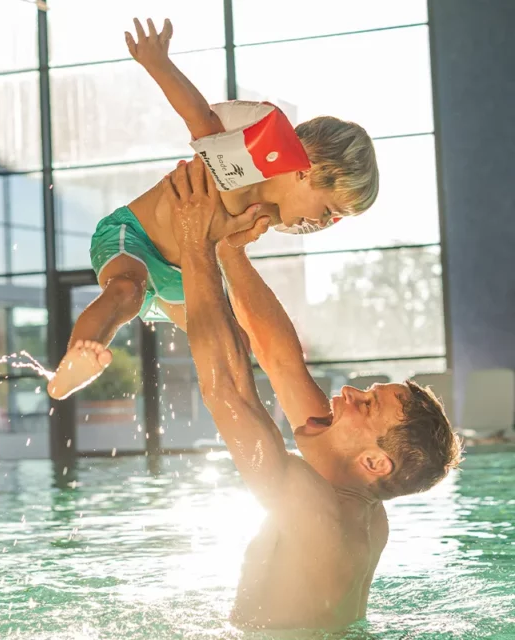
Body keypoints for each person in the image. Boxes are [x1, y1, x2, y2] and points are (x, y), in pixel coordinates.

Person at [164, 156, 462, 631]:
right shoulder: (360, 499)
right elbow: (281, 361)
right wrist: (229, 253)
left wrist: (192, 242)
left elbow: (227, 390)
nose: (344, 392)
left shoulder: (315, 508)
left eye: (366, 404)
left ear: (374, 462)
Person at [47, 17, 379, 400]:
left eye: (334, 221)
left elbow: (222, 256)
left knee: (233, 340)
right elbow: (198, 115)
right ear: (307, 170)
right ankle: (71, 368)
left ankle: (235, 425)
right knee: (126, 290)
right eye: (327, 211)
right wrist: (157, 62)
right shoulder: (244, 161)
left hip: (180, 276)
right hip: (134, 239)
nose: (321, 224)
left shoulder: (267, 217)